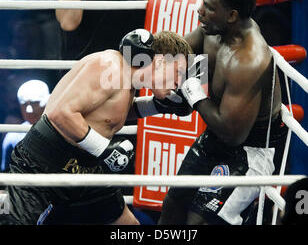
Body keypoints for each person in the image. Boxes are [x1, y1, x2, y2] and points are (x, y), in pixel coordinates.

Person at [6, 29, 192, 225]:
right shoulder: (110, 67)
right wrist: (103, 149)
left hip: (85, 167)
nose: (177, 82)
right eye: (178, 72)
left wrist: (156, 105)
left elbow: (109, 114)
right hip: (43, 162)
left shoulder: (130, 80)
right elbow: (60, 114)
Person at [158, 0, 288, 225]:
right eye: (202, 2)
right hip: (215, 137)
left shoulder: (248, 60)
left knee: (200, 222)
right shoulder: (213, 30)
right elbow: (180, 50)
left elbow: (232, 134)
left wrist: (192, 93)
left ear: (231, 15)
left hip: (250, 151)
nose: (200, 11)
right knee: (172, 208)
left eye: (209, 7)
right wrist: (157, 66)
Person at [1, 80, 50, 172]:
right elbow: (6, 174)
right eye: (24, 104)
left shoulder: (62, 131)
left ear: (48, 101)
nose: (29, 110)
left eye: (35, 103)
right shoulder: (12, 137)